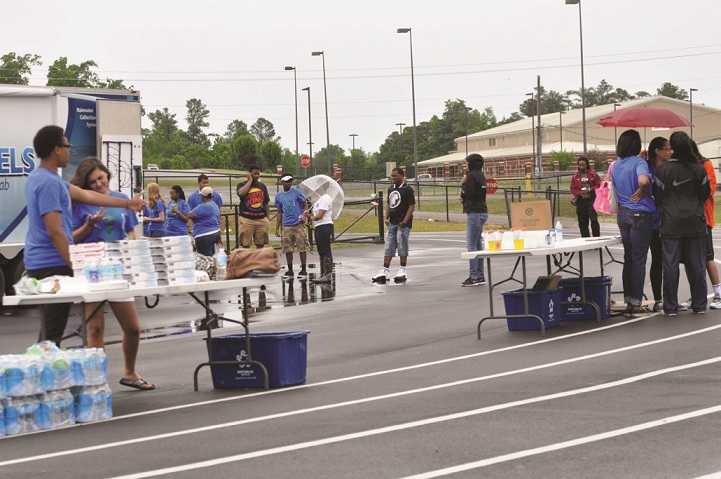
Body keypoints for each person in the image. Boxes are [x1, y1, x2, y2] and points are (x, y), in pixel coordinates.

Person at [24, 125, 143, 345]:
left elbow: (88, 196)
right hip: (52, 264)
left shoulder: (44, 178)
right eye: (67, 146)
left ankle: (46, 373)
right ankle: (44, 376)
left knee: (51, 331)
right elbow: (55, 230)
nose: (70, 151)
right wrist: (73, 263)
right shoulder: (49, 183)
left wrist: (127, 203)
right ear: (56, 150)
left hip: (46, 262)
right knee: (51, 335)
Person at [70, 158, 155, 391]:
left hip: (119, 269)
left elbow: (130, 232)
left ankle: (130, 372)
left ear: (107, 174)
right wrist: (88, 226)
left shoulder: (119, 200)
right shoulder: (80, 203)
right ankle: (96, 380)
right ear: (85, 184)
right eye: (93, 181)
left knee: (133, 327)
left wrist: (136, 257)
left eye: (101, 177)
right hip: (91, 269)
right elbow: (72, 237)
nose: (99, 184)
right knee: (95, 328)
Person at [654, 132, 709, 316]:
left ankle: (670, 307)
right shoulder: (699, 169)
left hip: (671, 223)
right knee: (697, 265)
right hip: (695, 222)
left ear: (673, 148)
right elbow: (705, 194)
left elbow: (658, 197)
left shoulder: (662, 170)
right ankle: (700, 305)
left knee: (670, 265)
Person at [611, 129, 655, 317]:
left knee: (629, 257)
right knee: (639, 258)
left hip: (623, 213)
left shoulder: (615, 165)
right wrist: (642, 187)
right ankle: (637, 300)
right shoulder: (639, 163)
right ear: (636, 145)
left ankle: (629, 298)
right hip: (640, 213)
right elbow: (643, 179)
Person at [691, 140, 721, 309]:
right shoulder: (684, 166)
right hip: (689, 218)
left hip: (703, 217)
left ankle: (718, 293)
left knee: (707, 256)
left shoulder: (706, 164)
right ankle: (698, 294)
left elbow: (710, 189)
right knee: (693, 259)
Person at [372, 167, 416, 284]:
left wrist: (405, 221)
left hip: (403, 224)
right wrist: (386, 217)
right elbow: (389, 204)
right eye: (392, 176)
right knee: (389, 246)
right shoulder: (391, 189)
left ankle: (402, 270)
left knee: (402, 245)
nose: (393, 178)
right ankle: (385, 270)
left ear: (402, 176)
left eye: (395, 176)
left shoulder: (408, 189)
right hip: (392, 222)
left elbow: (412, 207)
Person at [646, 137, 673, 312]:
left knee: (670, 260)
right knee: (657, 259)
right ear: (657, 151)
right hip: (652, 220)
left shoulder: (671, 168)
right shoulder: (646, 168)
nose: (670, 151)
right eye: (667, 148)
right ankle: (658, 299)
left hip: (670, 218)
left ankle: (672, 298)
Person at [461, 153, 488, 287]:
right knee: (478, 245)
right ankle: (480, 275)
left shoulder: (471, 177)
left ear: (472, 163)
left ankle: (474, 276)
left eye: (466, 163)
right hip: (483, 211)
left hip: (474, 212)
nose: (465, 165)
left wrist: (463, 189)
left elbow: (468, 194)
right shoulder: (482, 176)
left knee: (471, 245)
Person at [274, 175, 309, 279]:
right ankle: (290, 270)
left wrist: (304, 215)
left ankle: (303, 269)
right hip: (286, 225)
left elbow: (305, 204)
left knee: (301, 247)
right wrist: (277, 226)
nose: (288, 183)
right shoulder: (279, 196)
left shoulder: (296, 192)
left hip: (298, 224)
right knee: (288, 249)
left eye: (290, 181)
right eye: (286, 181)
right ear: (282, 182)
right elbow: (279, 211)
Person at [176, 186, 221, 256]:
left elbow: (188, 215)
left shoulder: (203, 206)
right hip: (216, 233)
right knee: (213, 257)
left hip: (204, 235)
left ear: (203, 196)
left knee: (204, 258)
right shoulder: (214, 205)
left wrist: (178, 211)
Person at [236, 165, 270, 249]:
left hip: (261, 219)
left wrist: (267, 218)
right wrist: (250, 181)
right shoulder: (241, 185)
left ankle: (259, 261)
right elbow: (241, 193)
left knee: (260, 244)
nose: (257, 176)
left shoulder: (262, 186)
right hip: (247, 219)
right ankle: (247, 262)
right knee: (245, 245)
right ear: (249, 174)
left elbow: (266, 203)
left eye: (258, 174)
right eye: (255, 173)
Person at [570, 156, 601, 237]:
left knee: (594, 220)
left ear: (587, 164)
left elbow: (599, 185)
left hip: (591, 200)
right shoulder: (575, 176)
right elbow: (572, 189)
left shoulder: (593, 174)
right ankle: (585, 240)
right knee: (583, 222)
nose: (581, 166)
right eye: (580, 165)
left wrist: (590, 189)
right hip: (581, 201)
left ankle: (596, 240)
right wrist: (580, 193)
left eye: (583, 164)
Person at [310, 189, 334, 283]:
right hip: (318, 226)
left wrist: (310, 217)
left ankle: (328, 275)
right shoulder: (318, 200)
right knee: (321, 250)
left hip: (324, 225)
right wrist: (309, 214)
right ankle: (324, 273)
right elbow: (315, 214)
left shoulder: (325, 198)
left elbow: (319, 216)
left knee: (325, 250)